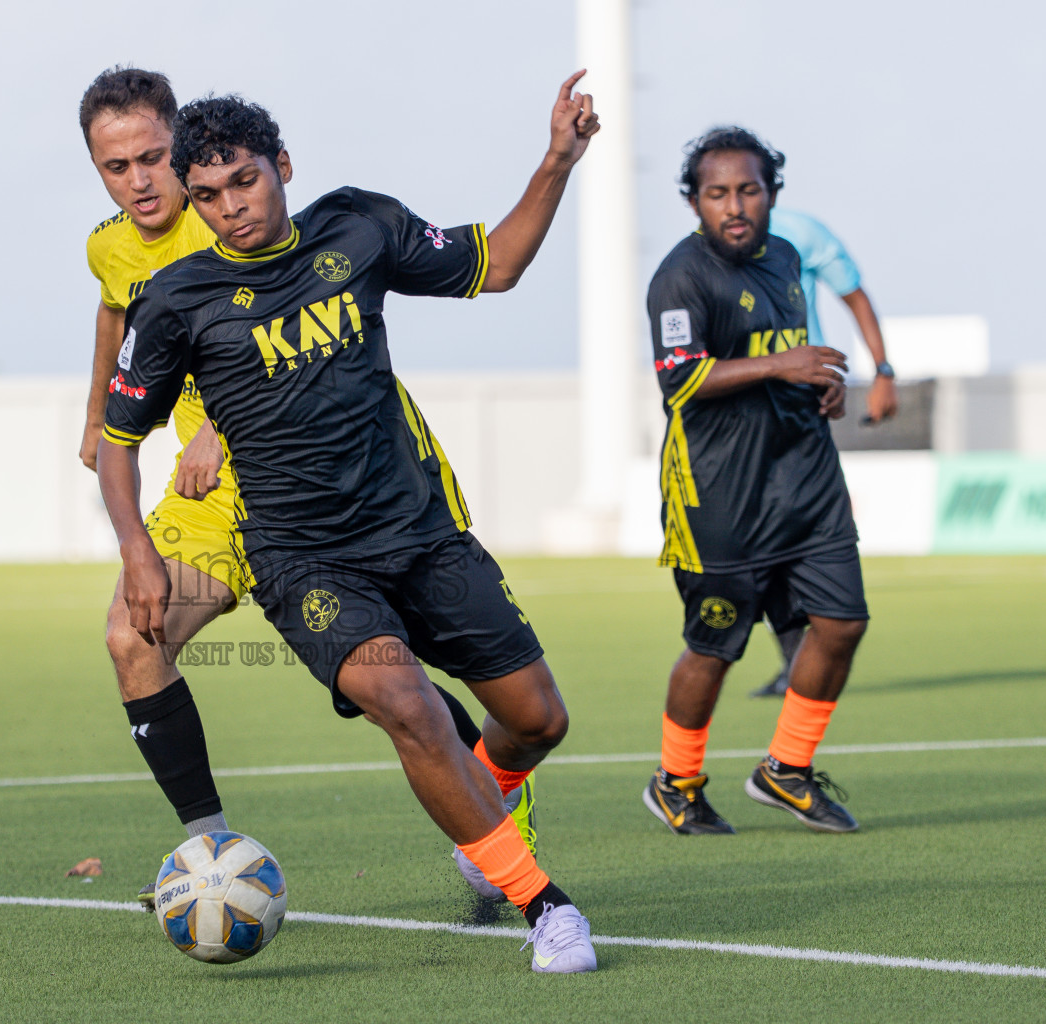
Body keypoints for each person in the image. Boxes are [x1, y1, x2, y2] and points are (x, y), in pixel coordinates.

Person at [98, 76, 601, 972]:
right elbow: (118, 441)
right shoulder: (175, 299)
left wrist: (557, 162)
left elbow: (500, 263)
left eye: (245, 182)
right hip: (304, 560)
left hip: (420, 531)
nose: (229, 208)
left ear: (281, 167)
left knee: (536, 721)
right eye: (207, 196)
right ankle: (543, 905)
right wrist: (138, 552)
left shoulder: (359, 228)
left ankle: (480, 811)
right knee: (404, 704)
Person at [640, 127, 867, 837]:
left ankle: (787, 769)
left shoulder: (788, 259)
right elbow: (682, 378)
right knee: (715, 647)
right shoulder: (680, 279)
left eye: (748, 190)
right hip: (719, 494)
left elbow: (789, 357)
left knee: (842, 622)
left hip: (806, 478)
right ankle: (675, 782)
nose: (734, 206)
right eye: (717, 194)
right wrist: (783, 366)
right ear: (692, 201)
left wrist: (820, 390)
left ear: (771, 194)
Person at [749, 208, 897, 698]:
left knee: (800, 530)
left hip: (803, 399)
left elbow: (854, 296)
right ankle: (795, 660)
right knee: (754, 543)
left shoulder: (803, 232)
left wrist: (883, 370)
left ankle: (802, 663)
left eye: (751, 186)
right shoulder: (705, 244)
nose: (737, 202)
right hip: (737, 404)